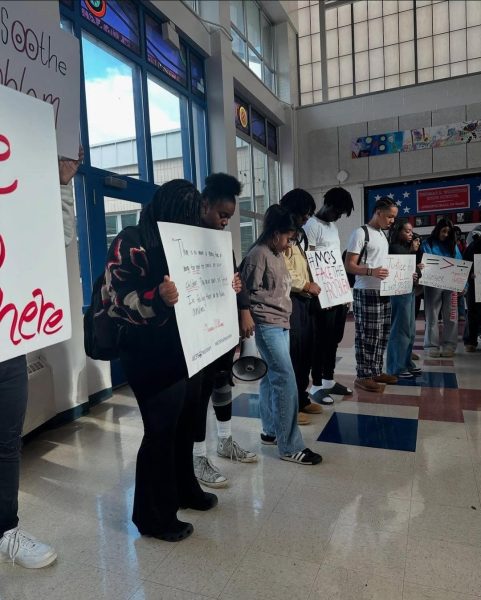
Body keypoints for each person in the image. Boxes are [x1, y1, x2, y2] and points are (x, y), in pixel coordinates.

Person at [105, 179, 221, 543]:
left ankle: (184, 491)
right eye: (187, 216)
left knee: (185, 425)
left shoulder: (189, 239)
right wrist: (158, 297)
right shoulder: (132, 240)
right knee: (160, 432)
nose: (193, 223)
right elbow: (116, 300)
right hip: (149, 353)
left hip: (189, 348)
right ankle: (152, 516)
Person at [0, 149, 83, 568]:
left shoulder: (10, 200)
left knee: (6, 443)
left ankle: (6, 531)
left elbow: (56, 240)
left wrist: (63, 185)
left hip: (6, 345)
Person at [240, 205, 322, 465]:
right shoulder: (258, 255)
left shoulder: (276, 253)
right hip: (267, 325)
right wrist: (247, 318)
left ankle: (270, 431)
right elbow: (246, 292)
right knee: (286, 379)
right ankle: (290, 446)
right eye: (287, 238)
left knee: (271, 377)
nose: (289, 244)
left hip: (281, 322)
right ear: (275, 233)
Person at [192, 173, 257, 489]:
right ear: (205, 205)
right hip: (196, 331)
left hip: (221, 326)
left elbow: (234, 277)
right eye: (222, 215)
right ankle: (197, 456)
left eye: (229, 218)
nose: (225, 223)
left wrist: (243, 309)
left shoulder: (220, 241)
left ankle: (225, 440)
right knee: (198, 393)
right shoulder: (185, 236)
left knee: (222, 381)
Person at [303, 187, 355, 404]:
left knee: (334, 338)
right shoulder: (311, 226)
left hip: (336, 292)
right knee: (320, 341)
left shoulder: (332, 227)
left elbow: (333, 262)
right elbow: (310, 260)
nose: (338, 216)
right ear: (328, 204)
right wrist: (321, 293)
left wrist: (343, 292)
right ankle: (316, 385)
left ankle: (328, 380)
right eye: (338, 212)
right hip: (320, 294)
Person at [344, 197, 398, 392]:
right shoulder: (361, 233)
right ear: (378, 212)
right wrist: (371, 272)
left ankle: (375, 370)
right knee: (367, 335)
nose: (392, 221)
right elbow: (349, 265)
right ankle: (363, 375)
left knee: (382, 334)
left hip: (383, 290)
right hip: (366, 291)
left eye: (394, 217)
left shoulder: (382, 235)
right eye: (390, 217)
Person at [279, 188, 322, 425]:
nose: (306, 219)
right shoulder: (278, 231)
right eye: (304, 215)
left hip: (306, 299)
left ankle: (302, 397)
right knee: (293, 354)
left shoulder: (299, 235)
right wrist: (305, 284)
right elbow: (283, 270)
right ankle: (291, 406)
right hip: (290, 299)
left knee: (306, 350)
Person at [385, 221, 422, 379]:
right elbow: (403, 270)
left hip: (409, 290)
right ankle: (396, 367)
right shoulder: (394, 248)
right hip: (398, 292)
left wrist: (416, 271)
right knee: (400, 330)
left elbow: (413, 272)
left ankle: (406, 363)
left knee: (410, 330)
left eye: (411, 231)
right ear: (398, 231)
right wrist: (412, 253)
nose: (411, 234)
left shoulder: (406, 249)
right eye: (407, 231)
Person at [422, 218, 462, 358]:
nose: (445, 234)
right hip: (433, 284)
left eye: (448, 232)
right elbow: (426, 261)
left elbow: (460, 264)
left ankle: (449, 345)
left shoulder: (453, 246)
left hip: (451, 285)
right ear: (438, 229)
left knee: (451, 315)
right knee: (432, 315)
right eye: (443, 231)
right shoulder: (428, 243)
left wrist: (464, 284)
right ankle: (431, 345)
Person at [463, 230, 481, 352]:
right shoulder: (474, 245)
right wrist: (470, 274)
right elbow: (464, 264)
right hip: (476, 283)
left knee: (473, 312)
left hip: (476, 284)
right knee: (472, 312)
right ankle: (470, 341)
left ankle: (471, 341)